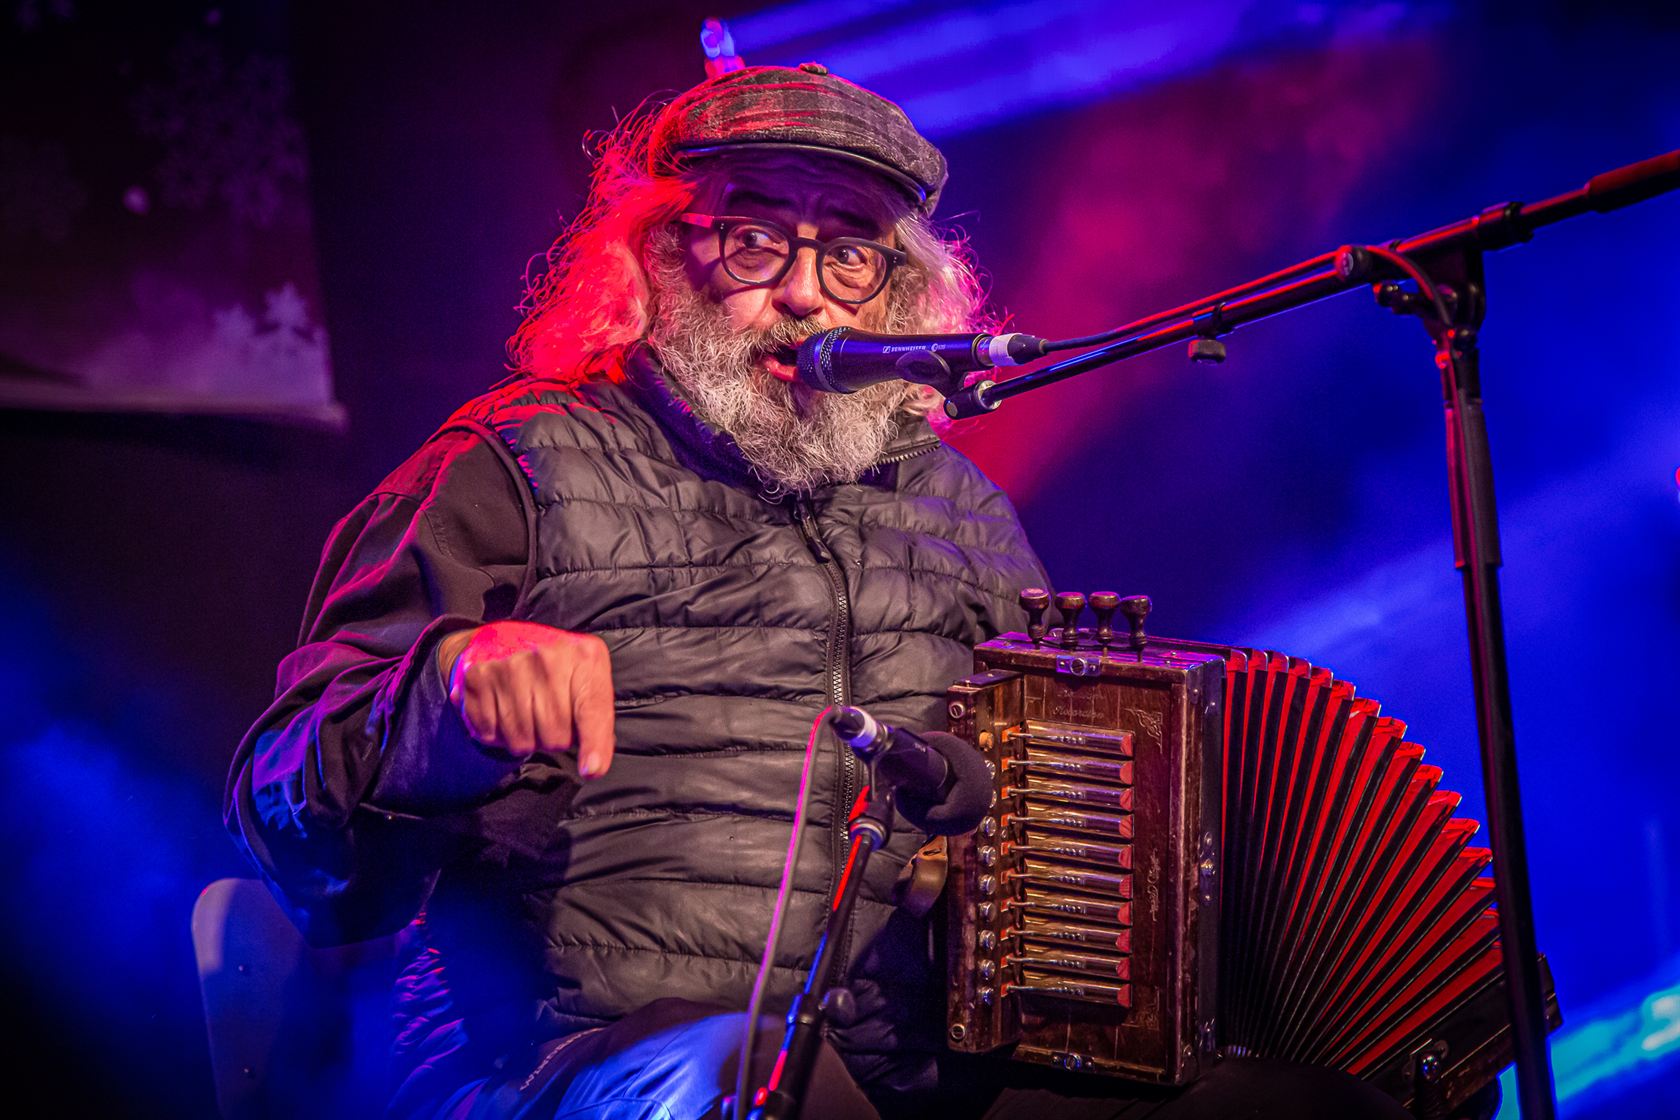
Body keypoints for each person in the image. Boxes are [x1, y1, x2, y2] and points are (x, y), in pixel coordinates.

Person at [227, 64, 1420, 1120]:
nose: (804, 293)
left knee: (1304, 1109)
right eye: (754, 239)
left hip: (912, 1077)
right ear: (659, 257)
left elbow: (1030, 826)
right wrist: (444, 694)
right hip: (568, 1062)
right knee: (771, 1076)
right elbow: (282, 813)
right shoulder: (512, 461)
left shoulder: (960, 510)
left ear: (894, 298)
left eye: (849, 252)